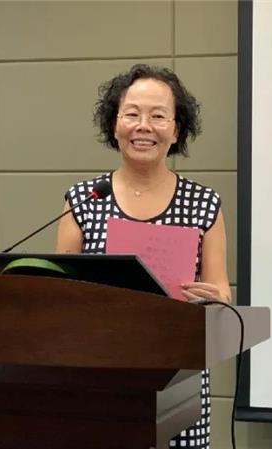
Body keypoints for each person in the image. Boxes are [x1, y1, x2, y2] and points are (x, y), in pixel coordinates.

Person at [55, 64, 231, 449]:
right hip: (101, 378)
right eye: (132, 114)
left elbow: (221, 292)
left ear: (177, 130)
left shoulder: (204, 204)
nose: (143, 126)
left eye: (158, 116)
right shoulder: (84, 200)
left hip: (178, 381)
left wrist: (214, 300)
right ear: (114, 125)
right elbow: (60, 296)